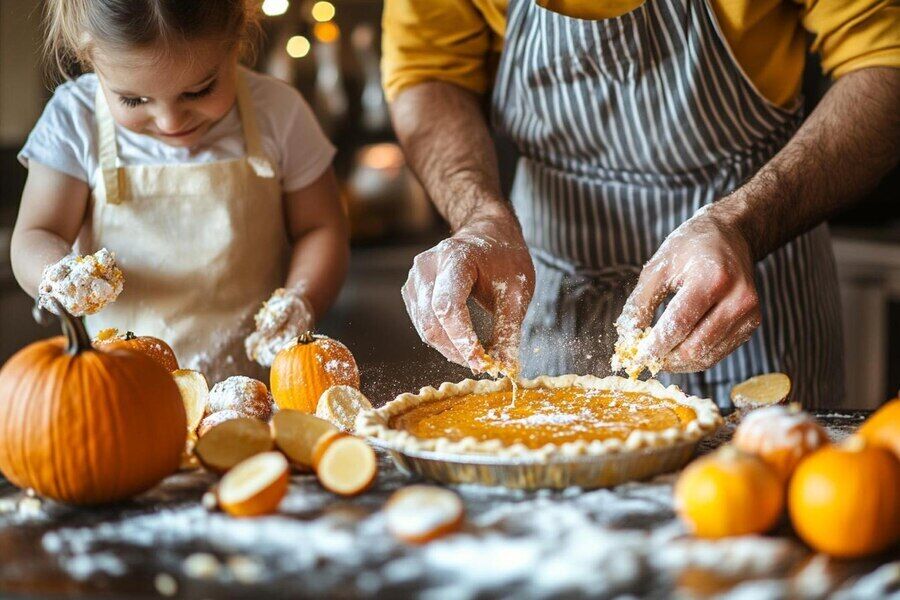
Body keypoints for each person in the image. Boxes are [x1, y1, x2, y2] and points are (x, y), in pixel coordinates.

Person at [385, 0, 900, 407]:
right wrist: (480, 216)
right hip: (549, 267)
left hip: (755, 248)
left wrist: (741, 225)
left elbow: (885, 61)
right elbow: (429, 71)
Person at [11, 0, 349, 382]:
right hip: (118, 387)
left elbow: (320, 228)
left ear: (235, 40)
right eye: (133, 100)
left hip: (253, 383)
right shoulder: (76, 120)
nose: (171, 122)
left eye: (199, 91)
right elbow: (37, 234)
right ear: (89, 55)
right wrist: (58, 274)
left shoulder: (279, 112)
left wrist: (302, 300)